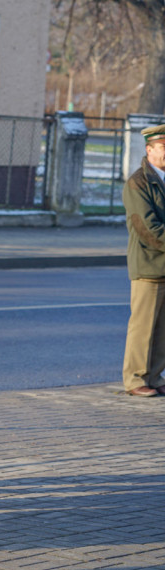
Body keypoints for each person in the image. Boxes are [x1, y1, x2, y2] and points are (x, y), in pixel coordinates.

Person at [121, 124, 165, 397]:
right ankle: (135, 378)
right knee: (143, 326)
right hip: (148, 266)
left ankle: (155, 375)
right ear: (149, 150)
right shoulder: (138, 183)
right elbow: (147, 230)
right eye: (163, 147)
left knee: (162, 329)